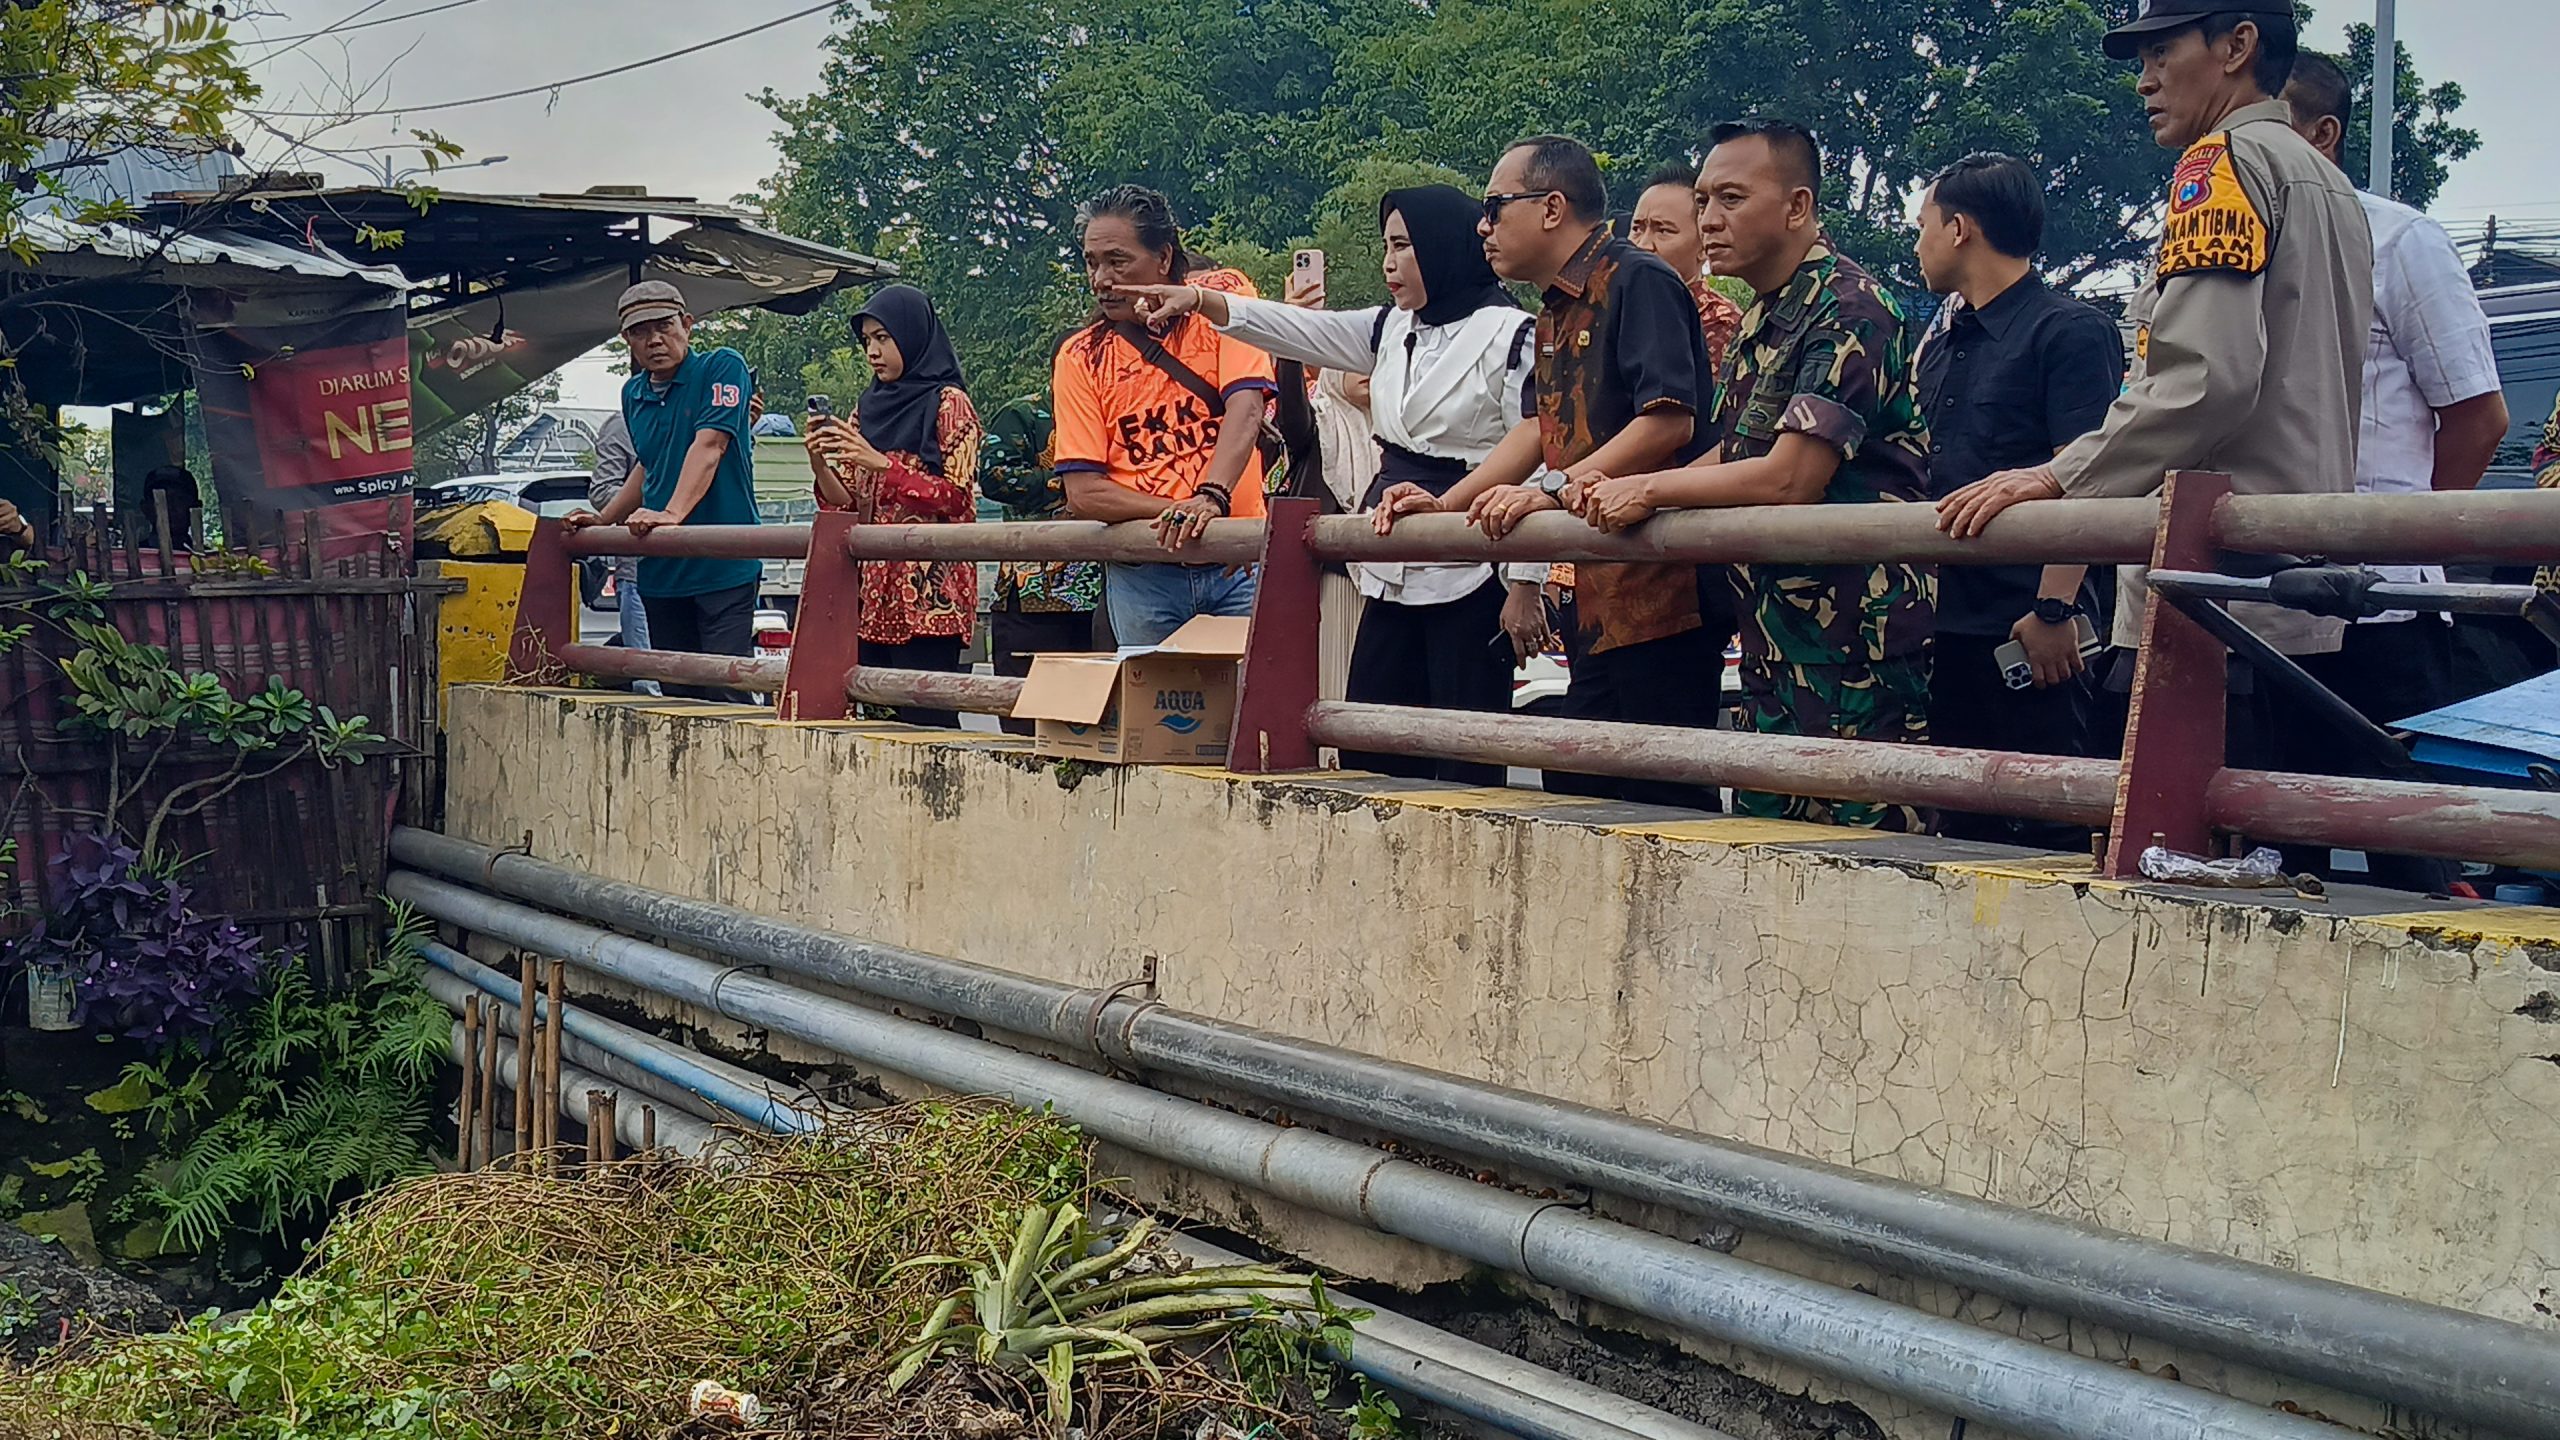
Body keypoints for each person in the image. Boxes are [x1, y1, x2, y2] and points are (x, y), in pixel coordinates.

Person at [1936, 1, 2373, 784]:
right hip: (2297, 595)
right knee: (2281, 839)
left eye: (2161, 52)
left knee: (2164, 843)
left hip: (2209, 603)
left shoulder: (2221, 164)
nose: (2144, 81)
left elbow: (2204, 379)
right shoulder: (2328, 182)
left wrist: (2059, 476)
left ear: (2237, 46)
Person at [1575, 120, 1936, 832]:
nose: (1710, 219)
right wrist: (1607, 487)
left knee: (1870, 852)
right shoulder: (1762, 316)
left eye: (1732, 199)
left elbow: (1790, 477)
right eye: (1703, 200)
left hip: (1855, 645)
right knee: (1768, 843)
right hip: (1773, 638)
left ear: (1798, 207)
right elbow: (1736, 453)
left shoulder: (1850, 308)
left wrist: (1648, 489)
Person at [1124, 185, 1546, 786]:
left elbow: (1542, 453)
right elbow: (1292, 328)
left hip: (1473, 559)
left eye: (1404, 246)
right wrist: (1199, 299)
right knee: (1371, 743)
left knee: (1465, 751)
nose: (1389, 263)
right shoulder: (1389, 329)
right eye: (1386, 247)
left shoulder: (1515, 335)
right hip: (1390, 557)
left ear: (1443, 246)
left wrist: (1527, 582)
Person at [1377, 136, 1722, 810]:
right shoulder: (1555, 307)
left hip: (1664, 592)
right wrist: (1447, 504)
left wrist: (1552, 491)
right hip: (1597, 587)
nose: (1483, 227)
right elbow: (1540, 428)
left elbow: (1668, 420)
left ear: (1552, 207)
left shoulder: (1638, 279)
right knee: (1579, 783)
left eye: (1495, 207)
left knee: (1663, 791)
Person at [2280, 52, 2504, 888]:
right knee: (2272, 860)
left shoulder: (2401, 239)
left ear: (2322, 135)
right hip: (2260, 602)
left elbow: (2479, 416)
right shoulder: (2235, 243)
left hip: (2383, 615)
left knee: (2408, 863)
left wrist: (2405, 539)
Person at [1910, 153, 2125, 847]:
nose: (1918, 244)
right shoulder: (1944, 343)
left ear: (1959, 229)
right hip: (1947, 622)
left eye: (1924, 227)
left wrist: (2056, 607)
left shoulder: (2070, 331)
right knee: (1957, 821)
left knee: (2047, 823)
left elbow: (2090, 472)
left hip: (2029, 627)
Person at [1052, 185, 1276, 646]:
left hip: (1238, 562)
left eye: (1117, 261)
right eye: (1091, 262)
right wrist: (1188, 513)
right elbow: (1084, 491)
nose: (1101, 279)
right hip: (1145, 574)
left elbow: (1247, 405)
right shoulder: (1082, 355)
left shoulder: (1224, 300)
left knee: (1257, 690)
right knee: (1151, 693)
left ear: (1164, 257)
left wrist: (1212, 497)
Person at [568, 280, 764, 703]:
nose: (655, 340)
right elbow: (649, 465)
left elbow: (711, 445)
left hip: (723, 565)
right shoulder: (633, 393)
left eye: (664, 326)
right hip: (661, 569)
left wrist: (672, 513)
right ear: (627, 340)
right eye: (640, 331)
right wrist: (604, 519)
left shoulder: (721, 367)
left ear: (687, 325)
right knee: (677, 693)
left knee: (725, 687)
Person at [806, 285, 980, 729]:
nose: (872, 352)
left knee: (929, 723)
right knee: (877, 725)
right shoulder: (866, 409)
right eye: (866, 341)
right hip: (872, 598)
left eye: (883, 338)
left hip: (931, 598)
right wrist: (819, 463)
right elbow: (846, 500)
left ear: (911, 334)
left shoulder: (949, 403)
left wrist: (884, 466)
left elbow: (957, 498)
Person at [1628, 162, 1745, 374]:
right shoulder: (1612, 308)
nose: (1643, 245)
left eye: (1663, 230)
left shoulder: (1718, 324)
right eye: (1637, 228)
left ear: (1703, 245)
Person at [586, 413, 658, 697]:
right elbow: (602, 491)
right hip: (640, 569)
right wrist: (660, 502)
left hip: (698, 567)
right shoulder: (624, 425)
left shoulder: (699, 420)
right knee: (649, 681)